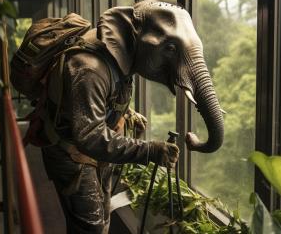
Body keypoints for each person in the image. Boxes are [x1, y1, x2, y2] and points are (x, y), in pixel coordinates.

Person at [41, 19, 179, 234]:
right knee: (90, 226)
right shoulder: (90, 69)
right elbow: (89, 135)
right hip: (71, 152)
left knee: (103, 214)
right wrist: (149, 150)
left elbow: (100, 97)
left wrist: (127, 113)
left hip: (96, 152)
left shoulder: (118, 59)